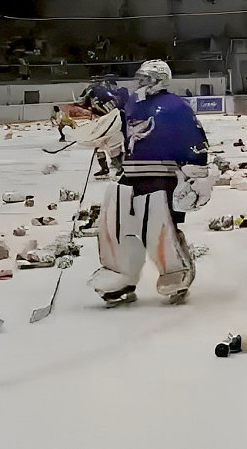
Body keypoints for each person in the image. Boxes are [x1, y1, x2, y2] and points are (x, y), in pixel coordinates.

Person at [89, 60, 211, 307]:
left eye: (147, 78)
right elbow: (122, 130)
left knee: (160, 228)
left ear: (161, 80)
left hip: (163, 175)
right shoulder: (134, 104)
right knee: (117, 226)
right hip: (131, 174)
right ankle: (119, 276)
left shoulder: (176, 107)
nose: (141, 83)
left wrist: (195, 174)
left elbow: (195, 139)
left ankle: (176, 273)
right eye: (140, 78)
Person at [76, 77, 128, 179]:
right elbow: (81, 101)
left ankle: (120, 168)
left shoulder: (118, 93)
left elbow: (120, 106)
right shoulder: (97, 94)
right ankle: (105, 169)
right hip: (103, 124)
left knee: (115, 147)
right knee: (98, 147)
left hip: (116, 125)